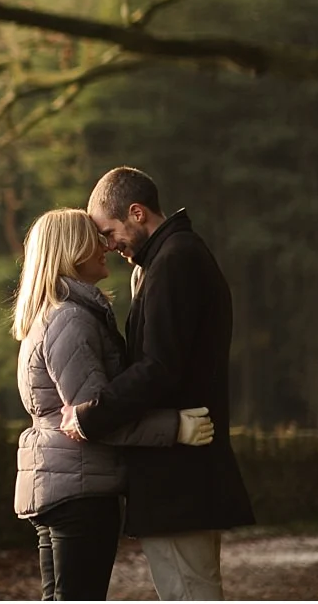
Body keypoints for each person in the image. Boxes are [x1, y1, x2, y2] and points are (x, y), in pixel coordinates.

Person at [62, 167, 255, 599]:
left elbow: (159, 368)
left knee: (190, 592)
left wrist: (92, 416)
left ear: (136, 212)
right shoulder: (167, 260)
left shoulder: (175, 261)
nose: (109, 246)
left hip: (180, 476)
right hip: (177, 472)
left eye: (111, 232)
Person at [13, 208, 214, 601]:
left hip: (61, 482)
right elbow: (95, 417)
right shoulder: (70, 320)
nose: (105, 246)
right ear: (71, 250)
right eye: (94, 239)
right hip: (79, 489)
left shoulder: (58, 315)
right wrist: (175, 428)